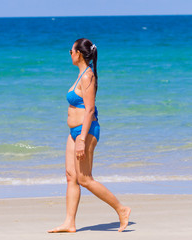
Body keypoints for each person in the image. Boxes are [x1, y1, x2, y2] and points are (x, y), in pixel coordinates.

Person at [48, 38, 131, 233]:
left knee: (85, 179)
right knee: (71, 176)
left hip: (86, 132)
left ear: (78, 53)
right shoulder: (80, 75)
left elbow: (90, 110)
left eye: (71, 50)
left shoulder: (87, 76)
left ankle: (122, 209)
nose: (70, 54)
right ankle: (70, 223)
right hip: (74, 133)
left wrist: (82, 139)